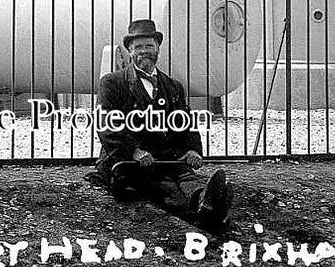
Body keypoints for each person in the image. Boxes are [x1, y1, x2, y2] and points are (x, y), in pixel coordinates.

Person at [94, 19, 233, 228]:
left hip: (166, 159)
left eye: (149, 46)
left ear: (158, 48)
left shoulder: (173, 86)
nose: (144, 51)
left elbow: (185, 123)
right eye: (138, 47)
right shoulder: (112, 82)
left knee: (187, 177)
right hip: (129, 162)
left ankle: (206, 199)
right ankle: (207, 211)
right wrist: (134, 151)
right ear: (129, 51)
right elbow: (106, 125)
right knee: (163, 187)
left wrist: (192, 150)